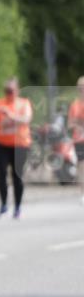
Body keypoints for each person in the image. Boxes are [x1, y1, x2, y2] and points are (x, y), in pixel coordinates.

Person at [0, 78, 33, 219]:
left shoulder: (24, 103)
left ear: (17, 90)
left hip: (20, 145)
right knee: (1, 175)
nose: (8, 94)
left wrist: (11, 116)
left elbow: (27, 119)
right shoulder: (0, 102)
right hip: (1, 144)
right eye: (6, 91)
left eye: (11, 91)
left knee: (17, 176)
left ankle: (17, 207)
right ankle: (4, 205)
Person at [69, 76, 84, 205]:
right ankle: (83, 193)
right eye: (80, 89)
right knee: (81, 166)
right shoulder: (75, 105)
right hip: (79, 140)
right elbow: (71, 123)